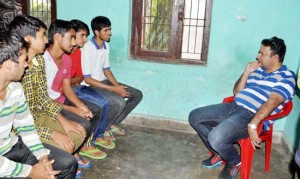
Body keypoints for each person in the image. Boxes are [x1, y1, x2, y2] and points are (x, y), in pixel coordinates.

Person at [189, 37, 296, 179]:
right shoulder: (258, 70)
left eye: (262, 54)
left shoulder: (286, 77)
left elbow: (273, 102)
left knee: (216, 137)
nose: (257, 56)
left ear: (275, 57)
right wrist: (246, 73)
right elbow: (236, 92)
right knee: (195, 117)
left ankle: (234, 162)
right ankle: (220, 154)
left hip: (251, 115)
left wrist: (253, 125)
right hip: (234, 106)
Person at [8, 15, 90, 175]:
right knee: (65, 155)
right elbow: (17, 125)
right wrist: (51, 133)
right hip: (22, 128)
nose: (46, 40)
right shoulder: (14, 70)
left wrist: (63, 121)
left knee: (77, 132)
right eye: (43, 35)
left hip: (38, 116)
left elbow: (43, 98)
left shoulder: (38, 61)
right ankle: (50, 168)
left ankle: (55, 166)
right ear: (28, 39)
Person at [0, 33, 77, 178]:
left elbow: (26, 127)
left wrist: (42, 157)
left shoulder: (15, 89)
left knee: (68, 163)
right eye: (23, 59)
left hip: (12, 147)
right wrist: (30, 171)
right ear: (9, 64)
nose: (26, 63)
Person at [43, 19, 106, 160]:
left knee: (91, 111)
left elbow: (67, 88)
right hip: (48, 105)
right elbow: (43, 99)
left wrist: (81, 106)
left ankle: (81, 146)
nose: (74, 43)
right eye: (71, 38)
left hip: (60, 99)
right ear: (58, 37)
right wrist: (73, 109)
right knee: (83, 123)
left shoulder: (66, 59)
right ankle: (73, 151)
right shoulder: (43, 61)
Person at [81, 16, 143, 136]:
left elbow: (106, 70)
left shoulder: (105, 46)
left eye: (110, 29)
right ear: (96, 32)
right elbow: (87, 79)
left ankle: (110, 124)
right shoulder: (87, 48)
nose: (110, 33)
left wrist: (117, 87)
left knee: (137, 95)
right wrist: (114, 89)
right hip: (92, 85)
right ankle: (102, 130)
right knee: (119, 103)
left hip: (104, 82)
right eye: (106, 30)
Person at [69, 19, 115, 149]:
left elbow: (79, 77)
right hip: (74, 88)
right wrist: (71, 81)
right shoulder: (79, 51)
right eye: (82, 36)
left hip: (79, 86)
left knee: (104, 103)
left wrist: (116, 86)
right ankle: (89, 142)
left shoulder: (78, 52)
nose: (85, 39)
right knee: (97, 107)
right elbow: (72, 81)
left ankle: (99, 135)